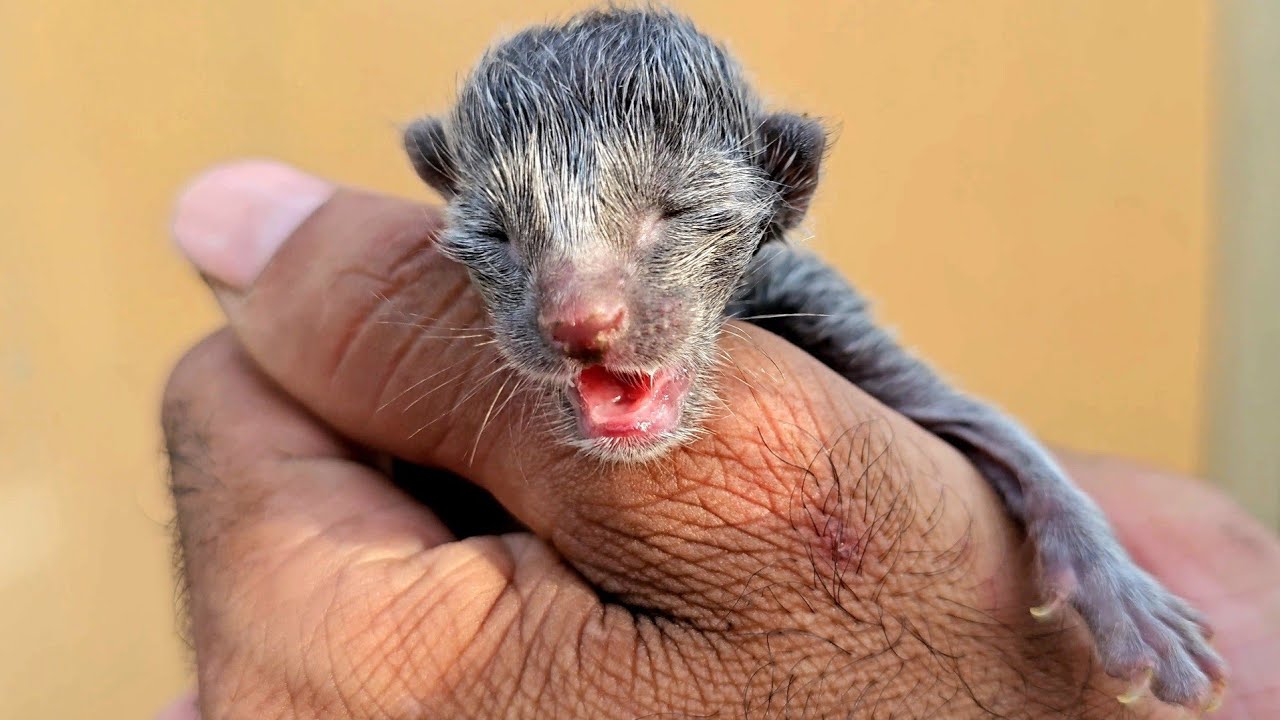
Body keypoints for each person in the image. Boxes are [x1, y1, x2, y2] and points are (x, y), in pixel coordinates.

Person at [157, 161, 1280, 719]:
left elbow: (965, 426)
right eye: (504, 232)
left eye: (676, 218)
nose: (578, 308)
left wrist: (1099, 568)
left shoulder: (790, 293)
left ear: (777, 186)